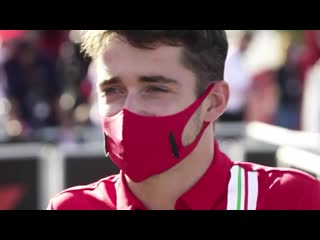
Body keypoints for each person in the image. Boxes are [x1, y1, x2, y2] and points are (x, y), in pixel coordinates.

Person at [47, 30, 320, 210]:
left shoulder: (292, 200)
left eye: (155, 89)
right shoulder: (72, 206)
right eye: (112, 90)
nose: (128, 111)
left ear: (214, 102)